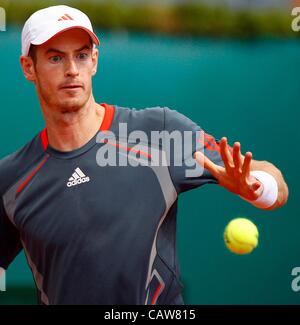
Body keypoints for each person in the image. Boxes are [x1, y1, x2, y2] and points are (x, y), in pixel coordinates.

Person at [0, 5, 288, 305]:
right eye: (56, 57)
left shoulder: (157, 132)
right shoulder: (10, 180)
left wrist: (257, 188)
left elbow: (277, 185)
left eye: (82, 55)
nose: (72, 69)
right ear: (28, 67)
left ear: (94, 61)